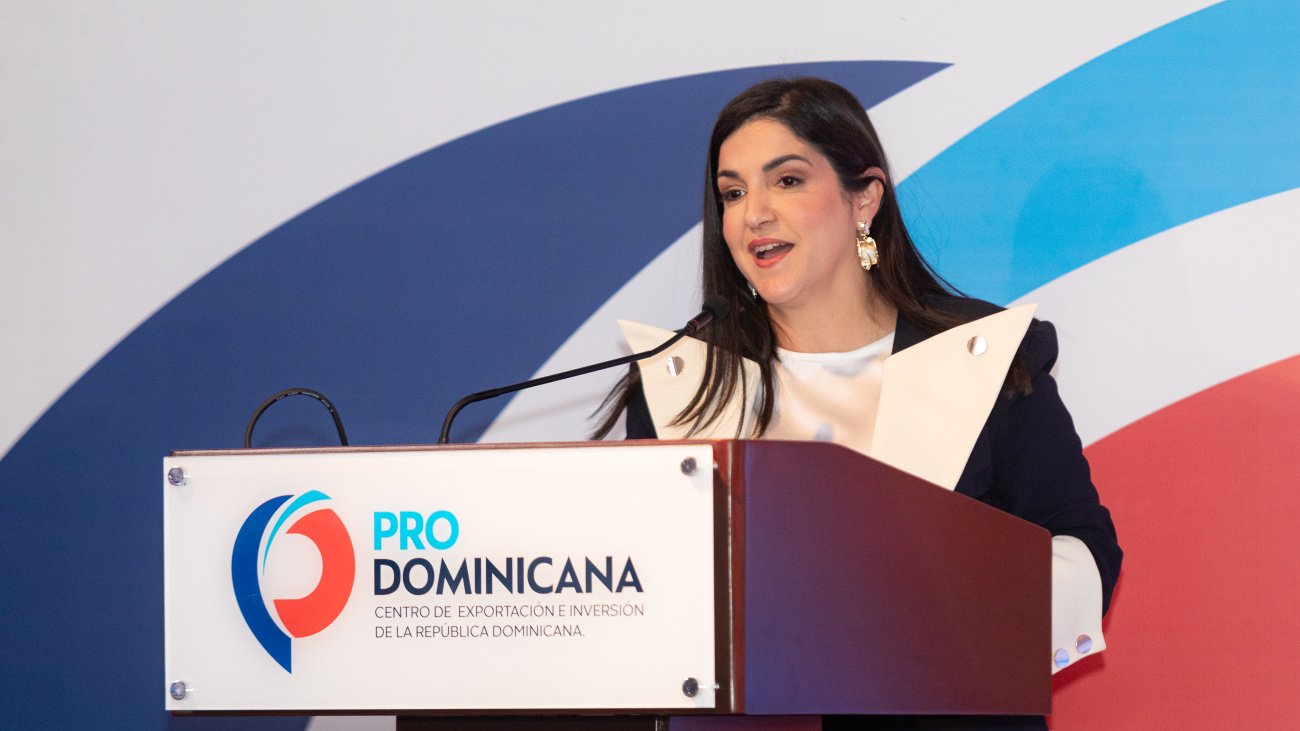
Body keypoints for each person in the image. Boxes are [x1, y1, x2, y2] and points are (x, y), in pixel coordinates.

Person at [595, 77, 1121, 729]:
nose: (754, 213)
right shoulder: (684, 383)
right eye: (733, 193)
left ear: (864, 197)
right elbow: (646, 589)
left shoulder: (984, 357)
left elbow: (1083, 545)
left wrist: (939, 606)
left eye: (787, 180)